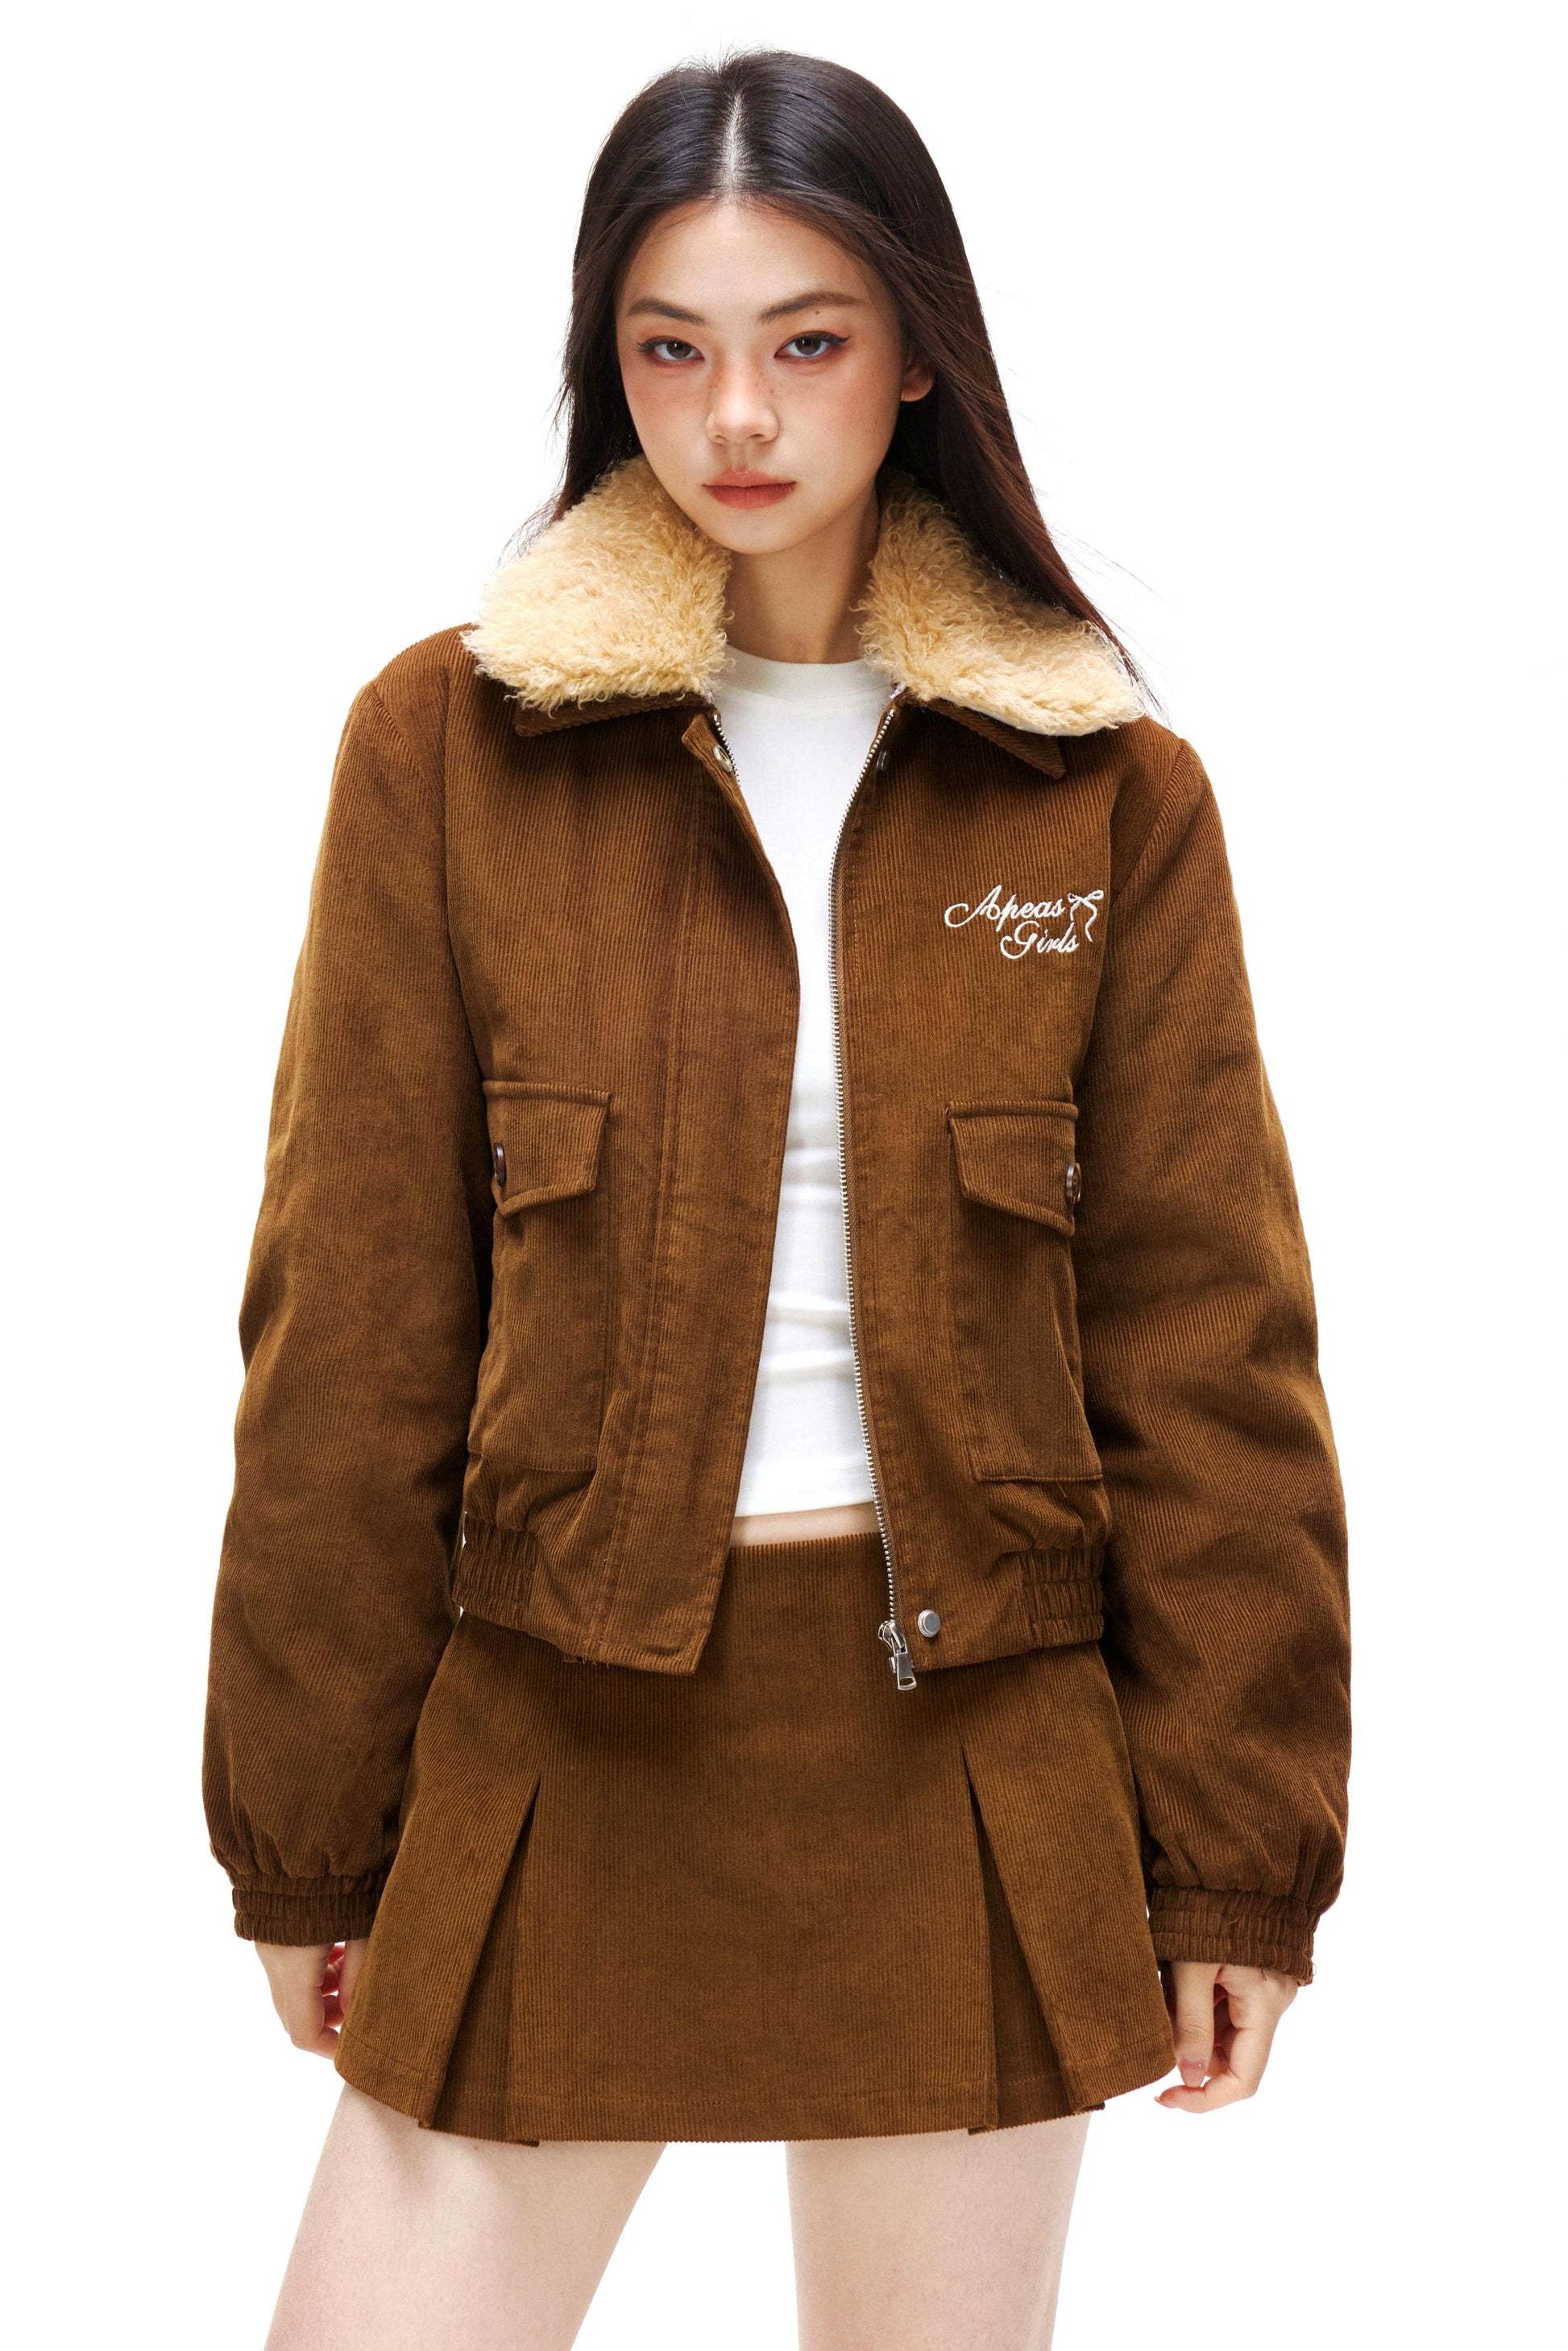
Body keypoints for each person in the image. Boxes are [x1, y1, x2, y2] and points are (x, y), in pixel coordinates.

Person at [203, 49, 1350, 2351]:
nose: (734, 414)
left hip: (972, 1750)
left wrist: (1241, 1856)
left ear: (914, 352)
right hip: (561, 1728)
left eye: (803, 340)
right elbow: (352, 1320)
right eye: (670, 348)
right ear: (607, 364)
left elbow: (1207, 1342)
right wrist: (307, 1827)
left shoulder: (1100, 789)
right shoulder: (447, 747)